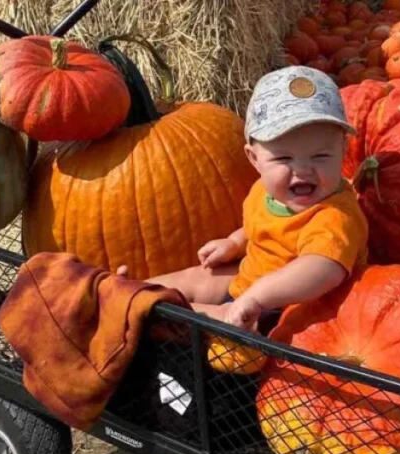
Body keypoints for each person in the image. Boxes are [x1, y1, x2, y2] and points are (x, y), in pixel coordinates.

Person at [127, 65, 370, 330]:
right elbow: (259, 226)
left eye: (321, 156)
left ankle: (141, 309)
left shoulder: (337, 218)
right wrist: (233, 242)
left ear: (343, 151)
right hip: (250, 280)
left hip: (288, 310)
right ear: (254, 158)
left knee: (210, 317)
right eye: (283, 158)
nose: (302, 169)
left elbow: (322, 270)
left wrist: (258, 297)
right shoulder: (265, 192)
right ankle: (129, 291)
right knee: (196, 278)